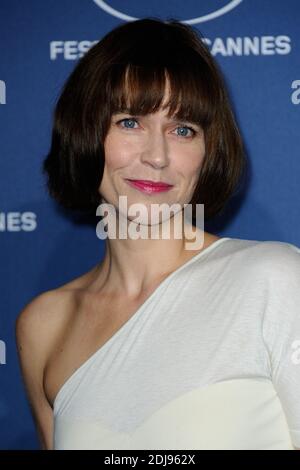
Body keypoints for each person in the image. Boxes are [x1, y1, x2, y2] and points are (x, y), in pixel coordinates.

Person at [15, 17, 300, 450]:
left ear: (208, 153)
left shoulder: (276, 280)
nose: (157, 156)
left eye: (183, 130)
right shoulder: (44, 324)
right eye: (130, 122)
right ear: (85, 133)